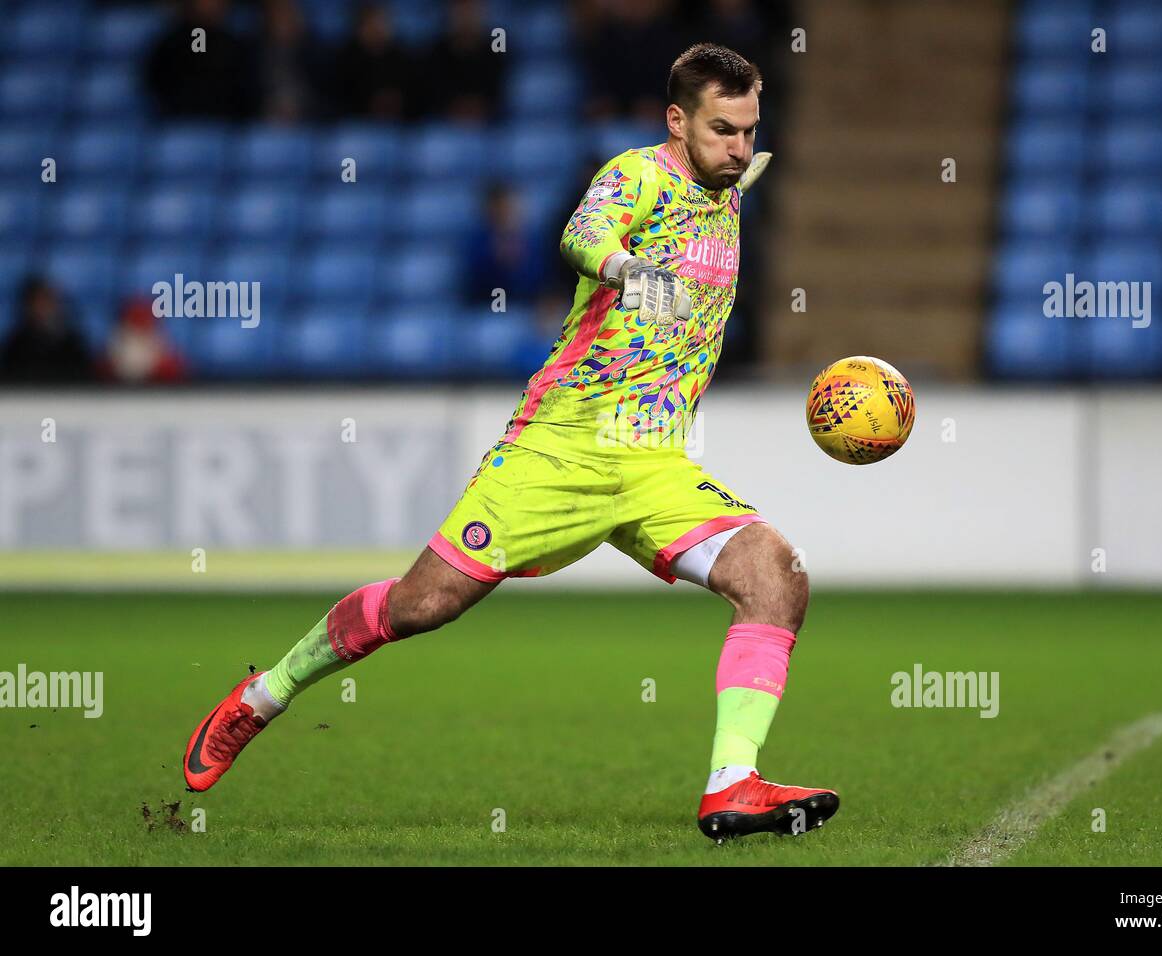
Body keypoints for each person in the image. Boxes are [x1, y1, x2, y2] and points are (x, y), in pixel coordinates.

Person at [182, 43, 838, 843]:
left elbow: (736, 182)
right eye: (721, 129)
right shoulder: (637, 176)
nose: (739, 148)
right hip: (561, 445)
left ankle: (731, 786)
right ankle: (261, 699)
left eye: (748, 131)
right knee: (421, 606)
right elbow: (580, 235)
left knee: (775, 575)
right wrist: (629, 269)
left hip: (657, 458)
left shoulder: (729, 187)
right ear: (676, 121)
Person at [0, 275, 94, 383]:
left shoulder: (72, 342)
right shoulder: (17, 343)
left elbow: (83, 381)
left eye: (47, 301)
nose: (43, 307)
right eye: (38, 302)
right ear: (28, 306)